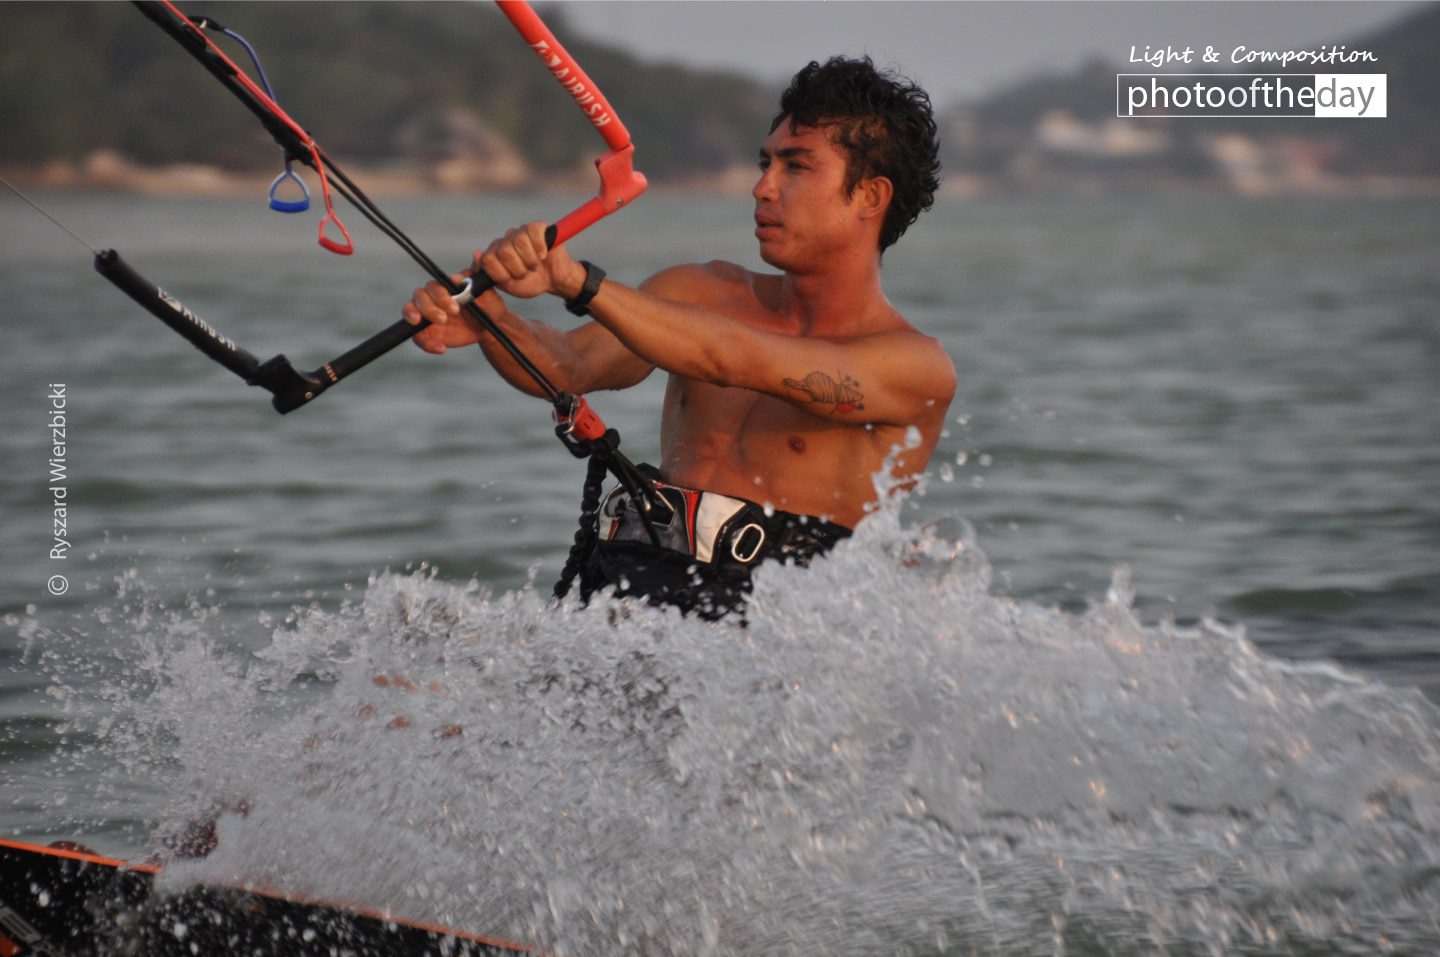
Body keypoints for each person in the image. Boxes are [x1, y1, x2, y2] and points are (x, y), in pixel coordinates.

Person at [402, 56, 955, 619]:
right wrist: (494, 323)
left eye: (796, 167)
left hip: (772, 633)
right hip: (630, 593)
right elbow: (568, 365)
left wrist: (572, 280)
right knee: (406, 669)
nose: (762, 188)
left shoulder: (912, 366)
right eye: (766, 163)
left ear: (869, 196)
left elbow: (731, 357)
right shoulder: (695, 292)